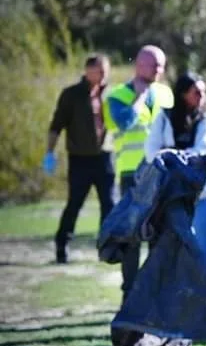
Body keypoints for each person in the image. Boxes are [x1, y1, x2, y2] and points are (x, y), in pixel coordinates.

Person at [104, 45, 173, 297]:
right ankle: (130, 292)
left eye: (161, 65)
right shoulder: (117, 95)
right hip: (131, 174)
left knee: (159, 234)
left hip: (161, 173)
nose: (159, 70)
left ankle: (154, 291)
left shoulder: (166, 94)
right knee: (131, 235)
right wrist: (141, 97)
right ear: (139, 66)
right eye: (153, 65)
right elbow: (123, 122)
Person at [144, 72, 206, 276]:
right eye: (196, 92)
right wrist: (181, 156)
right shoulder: (164, 117)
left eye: (204, 92)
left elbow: (205, 150)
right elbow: (151, 152)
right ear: (183, 93)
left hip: (198, 194)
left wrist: (170, 154)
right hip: (167, 195)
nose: (201, 96)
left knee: (203, 246)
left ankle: (205, 292)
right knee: (166, 246)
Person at [45, 55, 113, 264]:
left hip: (104, 157)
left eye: (105, 71)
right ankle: (62, 245)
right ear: (88, 70)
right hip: (80, 159)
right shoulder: (72, 95)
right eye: (99, 70)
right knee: (74, 204)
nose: (103, 75)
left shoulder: (110, 94)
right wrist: (50, 152)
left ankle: (106, 246)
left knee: (109, 204)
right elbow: (57, 124)